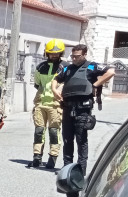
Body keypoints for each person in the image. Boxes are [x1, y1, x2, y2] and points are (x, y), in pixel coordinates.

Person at [51, 44, 115, 174]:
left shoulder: (92, 66)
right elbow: (56, 79)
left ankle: (81, 169)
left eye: (77, 56)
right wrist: (54, 90)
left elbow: (111, 72)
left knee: (81, 140)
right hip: (68, 108)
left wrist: (95, 85)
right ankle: (67, 168)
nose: (74, 59)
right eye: (72, 56)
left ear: (84, 54)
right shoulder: (68, 68)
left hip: (83, 109)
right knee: (67, 139)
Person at [31, 39, 65, 169]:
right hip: (40, 104)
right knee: (39, 130)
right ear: (47, 54)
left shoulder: (65, 67)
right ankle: (37, 156)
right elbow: (37, 84)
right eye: (51, 54)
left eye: (56, 54)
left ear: (60, 54)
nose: (54, 56)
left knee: (53, 131)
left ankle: (53, 157)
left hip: (56, 105)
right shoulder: (41, 67)